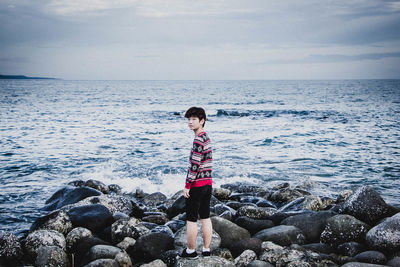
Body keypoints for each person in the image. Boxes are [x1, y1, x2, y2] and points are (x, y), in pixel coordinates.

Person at [180, 107, 213, 259]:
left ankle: (191, 251)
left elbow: (194, 165)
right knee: (205, 217)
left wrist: (187, 186)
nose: (190, 122)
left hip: (197, 185)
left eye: (194, 119)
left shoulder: (198, 139)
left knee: (192, 219)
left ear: (202, 121)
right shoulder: (206, 137)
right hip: (208, 184)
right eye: (189, 119)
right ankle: (206, 249)